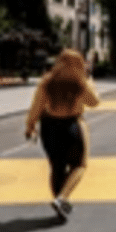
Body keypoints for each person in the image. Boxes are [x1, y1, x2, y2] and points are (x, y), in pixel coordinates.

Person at [25, 49, 100, 220]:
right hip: (72, 125)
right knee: (79, 165)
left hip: (49, 127)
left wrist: (30, 126)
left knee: (56, 167)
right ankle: (62, 198)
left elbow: (36, 107)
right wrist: (90, 81)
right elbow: (95, 102)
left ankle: (59, 202)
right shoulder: (79, 82)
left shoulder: (47, 82)